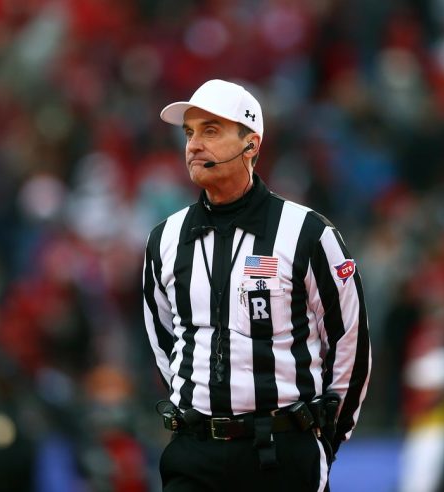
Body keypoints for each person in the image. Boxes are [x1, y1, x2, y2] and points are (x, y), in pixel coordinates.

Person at [142, 78, 371, 491]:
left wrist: (326, 440)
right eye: (189, 133)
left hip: (281, 454)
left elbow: (349, 344)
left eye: (211, 131)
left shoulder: (308, 233)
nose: (194, 145)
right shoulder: (164, 239)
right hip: (194, 453)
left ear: (251, 144)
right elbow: (165, 344)